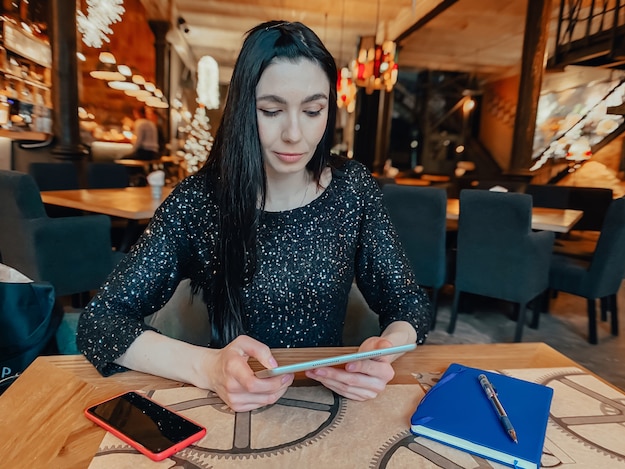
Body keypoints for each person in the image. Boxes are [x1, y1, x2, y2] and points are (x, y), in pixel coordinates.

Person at [77, 20, 431, 412]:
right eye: (271, 110)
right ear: (244, 109)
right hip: (230, 402)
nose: (295, 134)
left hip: (332, 399)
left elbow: (409, 305)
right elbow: (101, 322)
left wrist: (385, 351)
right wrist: (208, 367)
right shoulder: (199, 201)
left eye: (314, 110)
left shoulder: (352, 188)